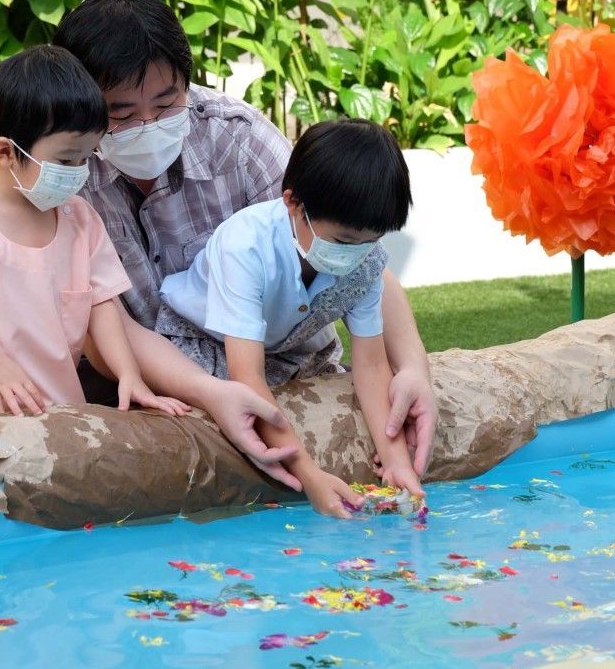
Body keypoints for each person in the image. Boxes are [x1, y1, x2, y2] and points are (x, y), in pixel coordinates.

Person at [53, 0, 438, 477]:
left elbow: (352, 248)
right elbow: (97, 323)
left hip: (285, 362)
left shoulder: (237, 138)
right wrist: (211, 393)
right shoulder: (52, 167)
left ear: (187, 83)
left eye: (167, 103)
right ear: (80, 103)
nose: (147, 125)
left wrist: (414, 367)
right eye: (122, 114)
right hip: (130, 376)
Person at [0, 47, 301, 490]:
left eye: (85, 158)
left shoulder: (78, 218)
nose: (79, 172)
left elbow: (102, 306)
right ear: (5, 152)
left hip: (59, 415)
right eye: (66, 161)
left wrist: (129, 374)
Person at [157, 120, 422, 518]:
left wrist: (397, 459)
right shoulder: (245, 246)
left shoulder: (365, 259)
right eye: (344, 241)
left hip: (280, 347)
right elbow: (247, 378)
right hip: (199, 342)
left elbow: (371, 365)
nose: (356, 254)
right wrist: (309, 475)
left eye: (371, 241)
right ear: (294, 204)